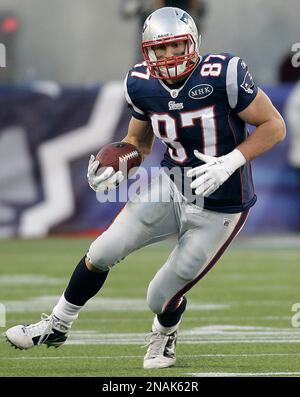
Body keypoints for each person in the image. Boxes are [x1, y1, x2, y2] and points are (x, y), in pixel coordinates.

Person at [5, 7, 286, 369]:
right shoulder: (140, 82)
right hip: (173, 185)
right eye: (160, 48)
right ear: (146, 51)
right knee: (103, 250)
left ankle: (164, 335)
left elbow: (273, 126)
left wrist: (231, 161)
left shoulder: (224, 73)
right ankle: (57, 324)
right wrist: (117, 167)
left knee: (159, 295)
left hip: (223, 205)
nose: (168, 56)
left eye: (176, 46)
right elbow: (138, 142)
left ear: (194, 43)